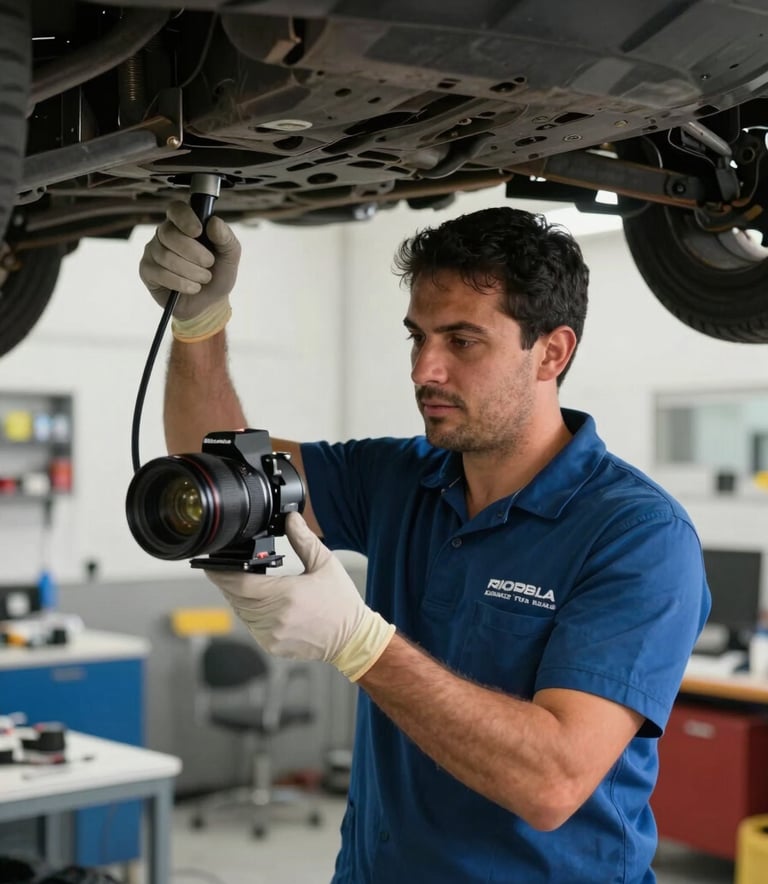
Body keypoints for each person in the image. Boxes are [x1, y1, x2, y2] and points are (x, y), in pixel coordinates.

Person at [139, 202, 711, 884]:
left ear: (551, 352)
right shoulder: (400, 477)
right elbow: (221, 479)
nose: (424, 370)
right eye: (418, 337)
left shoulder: (638, 535)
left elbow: (552, 781)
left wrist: (360, 643)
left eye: (462, 341)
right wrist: (200, 322)